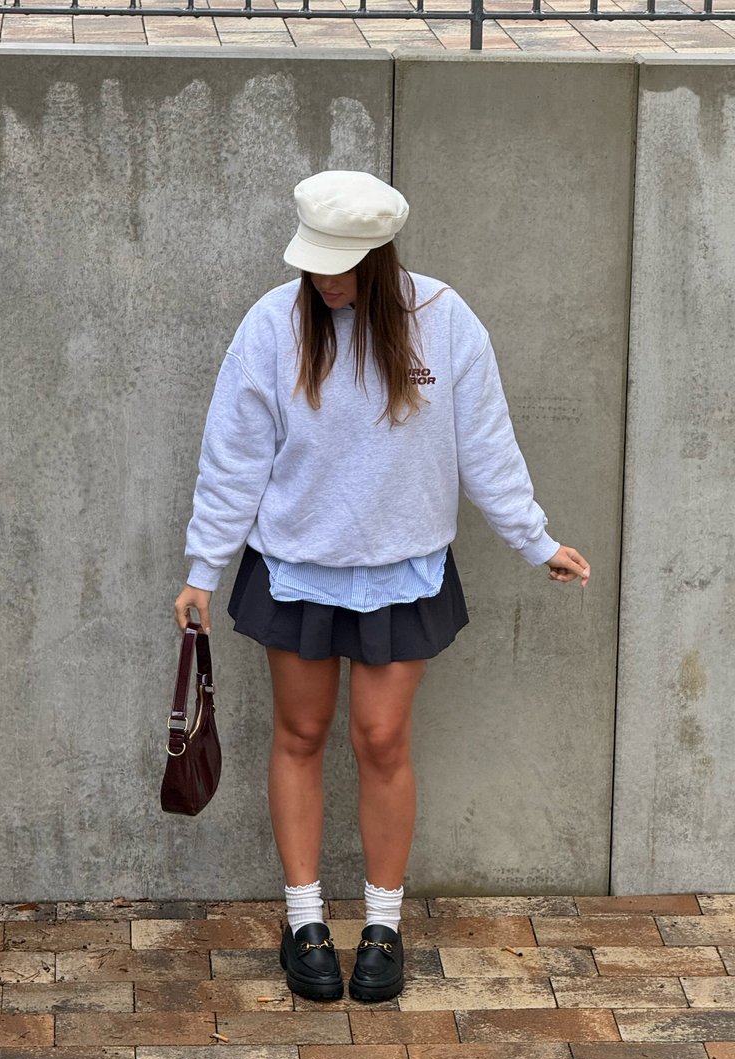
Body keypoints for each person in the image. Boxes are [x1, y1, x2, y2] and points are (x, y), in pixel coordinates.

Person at [174, 170, 590, 1004]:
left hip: (406, 568)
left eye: (341, 264)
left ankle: (384, 924)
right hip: (296, 567)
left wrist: (534, 538)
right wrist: (202, 567)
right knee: (299, 732)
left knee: (381, 739)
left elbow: (487, 446)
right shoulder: (271, 326)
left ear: (379, 252)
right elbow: (234, 457)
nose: (325, 279)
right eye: (314, 262)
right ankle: (304, 922)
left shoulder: (443, 319)